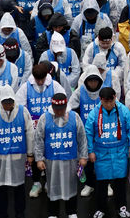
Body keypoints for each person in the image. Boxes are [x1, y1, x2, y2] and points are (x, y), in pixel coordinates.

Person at [33, 88, 88, 218]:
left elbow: (82, 138)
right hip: (52, 159)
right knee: (53, 186)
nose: (59, 112)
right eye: (56, 109)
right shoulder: (44, 118)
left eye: (61, 109)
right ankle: (53, 213)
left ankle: (72, 212)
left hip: (70, 158)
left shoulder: (74, 117)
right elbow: (38, 139)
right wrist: (39, 159)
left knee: (71, 185)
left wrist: (83, 156)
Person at [84, 85, 130, 218]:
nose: (108, 104)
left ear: (115, 98)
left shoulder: (123, 111)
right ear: (100, 100)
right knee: (101, 184)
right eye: (105, 102)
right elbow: (89, 133)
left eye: (111, 101)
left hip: (120, 152)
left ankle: (121, 208)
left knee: (120, 183)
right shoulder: (94, 114)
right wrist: (90, 151)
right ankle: (101, 209)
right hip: (101, 154)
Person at [0, 85, 34, 218]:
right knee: (2, 188)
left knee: (19, 187)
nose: (8, 105)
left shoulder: (23, 111)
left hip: (18, 157)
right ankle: (2, 214)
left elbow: (30, 133)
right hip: (1, 158)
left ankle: (20, 213)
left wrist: (30, 153)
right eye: (5, 102)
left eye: (10, 102)